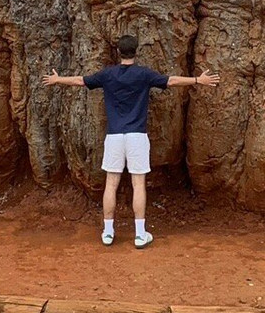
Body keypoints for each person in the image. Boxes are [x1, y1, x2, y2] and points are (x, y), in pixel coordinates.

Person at [42, 33, 220, 248]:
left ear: (118, 52)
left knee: (111, 183)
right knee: (138, 184)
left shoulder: (108, 75)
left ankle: (108, 232)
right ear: (136, 51)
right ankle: (139, 233)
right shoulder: (143, 74)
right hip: (137, 136)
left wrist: (57, 79)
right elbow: (171, 80)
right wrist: (198, 80)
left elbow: (80, 80)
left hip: (115, 135)